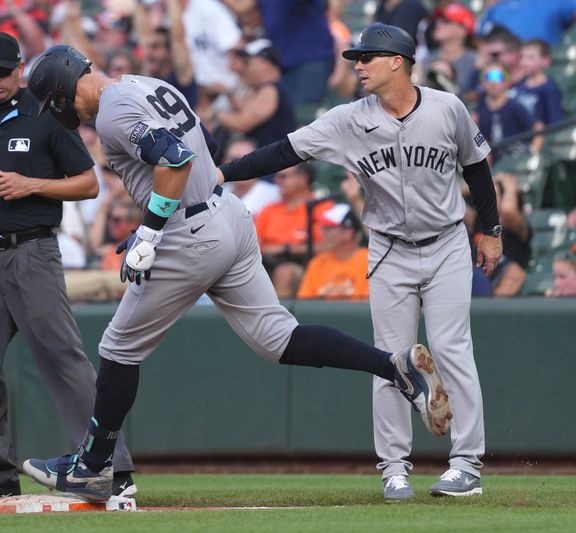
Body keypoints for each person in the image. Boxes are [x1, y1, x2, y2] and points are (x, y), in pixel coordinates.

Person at [20, 44, 453, 502]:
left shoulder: (109, 112)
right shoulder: (148, 84)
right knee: (278, 338)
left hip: (191, 233)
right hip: (227, 213)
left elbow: (175, 160)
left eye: (59, 103)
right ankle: (394, 367)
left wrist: (150, 231)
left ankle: (92, 467)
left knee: (118, 347)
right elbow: (202, 144)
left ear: (64, 92)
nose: (68, 114)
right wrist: (156, 222)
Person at [215, 23, 503, 500]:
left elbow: (477, 168)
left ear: (398, 61)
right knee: (389, 358)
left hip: (448, 242)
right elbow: (284, 151)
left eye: (368, 56)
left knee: (453, 349)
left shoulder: (446, 108)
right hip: (389, 247)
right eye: (357, 57)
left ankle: (466, 464)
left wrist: (490, 231)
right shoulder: (348, 118)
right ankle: (394, 467)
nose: (359, 65)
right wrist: (223, 173)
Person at [0, 32, 136, 507]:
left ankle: (110, 467)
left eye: (3, 70)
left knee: (61, 355)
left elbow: (87, 184)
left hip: (33, 252)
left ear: (20, 69)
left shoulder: (47, 115)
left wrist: (31, 185)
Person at [254, 162, 332, 298]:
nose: (277, 181)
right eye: (277, 176)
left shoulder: (322, 208)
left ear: (303, 179)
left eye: (283, 177)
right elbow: (254, 244)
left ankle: (277, 318)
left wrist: (286, 249)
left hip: (306, 265)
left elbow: (329, 246)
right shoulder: (269, 210)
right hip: (266, 264)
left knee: (285, 272)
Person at [216, 39, 296, 151]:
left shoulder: (271, 90)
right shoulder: (263, 88)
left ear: (265, 64)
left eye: (249, 62)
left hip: (274, 162)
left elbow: (242, 123)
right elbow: (246, 112)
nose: (246, 67)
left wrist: (215, 115)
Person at [295, 203, 369, 300]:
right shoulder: (317, 262)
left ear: (348, 233)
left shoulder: (369, 260)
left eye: (328, 228)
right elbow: (304, 304)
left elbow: (366, 305)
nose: (322, 232)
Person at [473, 63, 536, 163]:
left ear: (507, 81)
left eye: (498, 77)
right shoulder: (480, 110)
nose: (493, 82)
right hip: (493, 161)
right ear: (482, 83)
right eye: (488, 77)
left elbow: (535, 130)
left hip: (516, 158)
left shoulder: (516, 107)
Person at [513, 39, 565, 127]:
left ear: (546, 60)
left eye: (531, 58)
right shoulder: (518, 85)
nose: (524, 62)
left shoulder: (549, 89)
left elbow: (556, 124)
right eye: (522, 57)